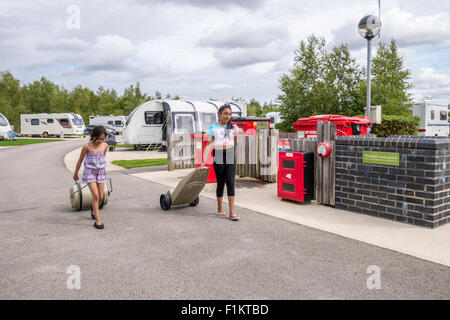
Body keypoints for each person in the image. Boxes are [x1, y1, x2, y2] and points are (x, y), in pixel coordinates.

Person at [204, 104, 240, 221]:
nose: (228, 116)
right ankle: (220, 209)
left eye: (229, 114)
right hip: (218, 155)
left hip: (229, 154)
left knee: (230, 182)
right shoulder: (213, 127)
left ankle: (232, 212)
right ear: (220, 114)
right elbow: (210, 144)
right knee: (221, 182)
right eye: (225, 114)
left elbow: (235, 141)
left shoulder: (233, 126)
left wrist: (229, 150)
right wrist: (204, 160)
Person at [73, 126, 108, 229]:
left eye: (103, 139)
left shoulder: (105, 145)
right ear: (94, 137)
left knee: (101, 197)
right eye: (99, 139)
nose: (101, 141)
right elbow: (80, 160)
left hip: (101, 172)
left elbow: (103, 157)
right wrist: (75, 174)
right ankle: (97, 221)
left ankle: (93, 210)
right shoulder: (86, 147)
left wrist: (100, 166)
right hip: (90, 173)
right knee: (96, 196)